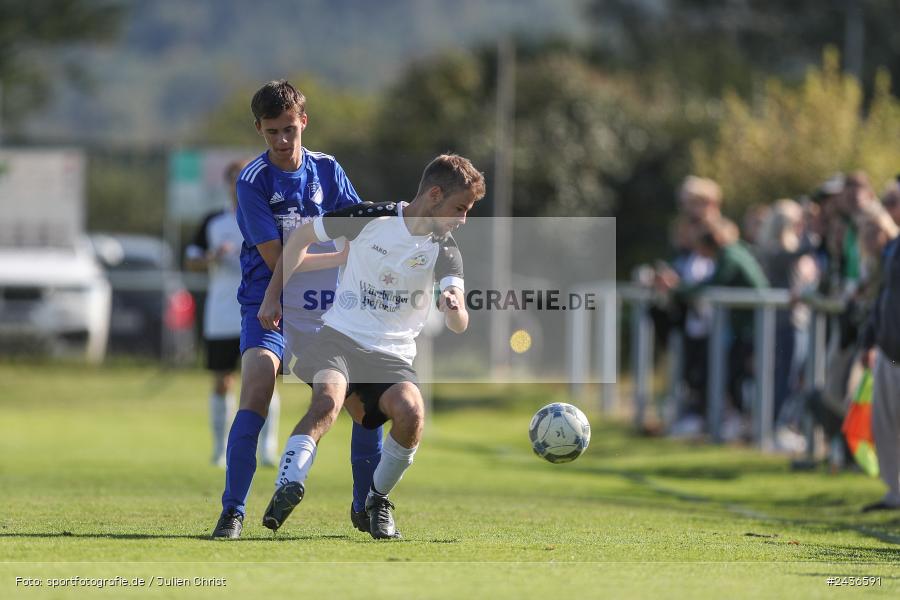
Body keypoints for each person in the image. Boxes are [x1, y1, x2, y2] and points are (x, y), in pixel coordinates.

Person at [258, 154, 485, 539]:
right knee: (327, 402)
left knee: (411, 413)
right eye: (459, 208)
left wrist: (454, 307)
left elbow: (460, 323)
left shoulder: (445, 250)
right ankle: (289, 482)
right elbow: (301, 238)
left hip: (392, 356)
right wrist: (272, 296)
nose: (462, 220)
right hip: (340, 339)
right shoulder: (369, 217)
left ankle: (376, 500)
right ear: (433, 195)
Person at [211, 80, 384, 539]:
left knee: (363, 402)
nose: (283, 141)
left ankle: (367, 504)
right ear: (259, 130)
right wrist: (341, 255)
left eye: (290, 129)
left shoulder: (326, 169)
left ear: (303, 121)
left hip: (327, 310)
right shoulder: (252, 182)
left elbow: (359, 224)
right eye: (272, 133)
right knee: (256, 388)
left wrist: (386, 225)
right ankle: (233, 511)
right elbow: (279, 261)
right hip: (267, 304)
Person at [185, 159, 280, 468]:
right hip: (223, 311)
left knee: (265, 379)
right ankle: (219, 450)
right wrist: (212, 257)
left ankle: (268, 449)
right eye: (235, 181)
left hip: (260, 308)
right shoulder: (213, 222)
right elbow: (191, 260)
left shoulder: (267, 217)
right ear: (229, 185)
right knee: (222, 380)